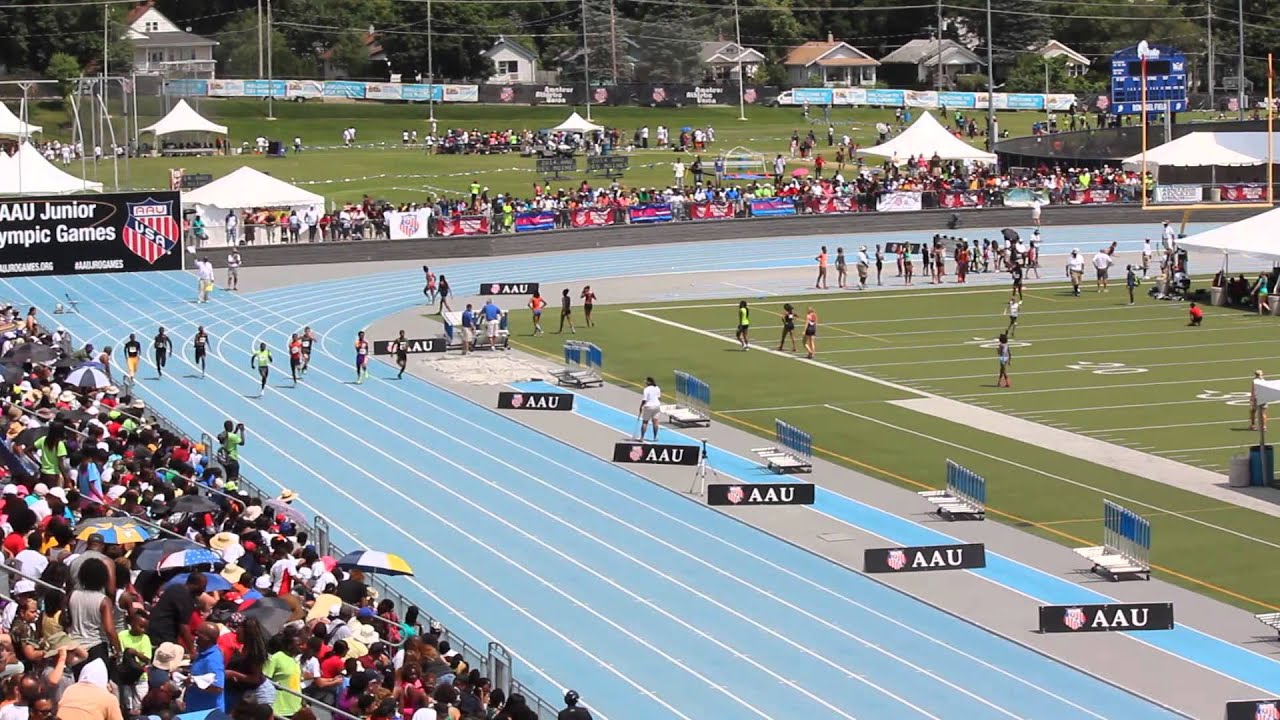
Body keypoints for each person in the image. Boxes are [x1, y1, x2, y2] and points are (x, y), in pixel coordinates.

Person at [184, 623, 225, 712]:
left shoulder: (212, 660)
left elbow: (218, 687)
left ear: (206, 639)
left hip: (206, 712)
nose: (195, 638)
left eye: (198, 635)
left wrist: (193, 683)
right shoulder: (203, 653)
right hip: (195, 709)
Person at [638, 377, 662, 442]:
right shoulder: (657, 388)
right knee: (655, 422)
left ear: (649, 382)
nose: (645, 382)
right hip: (657, 406)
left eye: (646, 381)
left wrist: (641, 407)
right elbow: (659, 398)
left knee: (645, 422)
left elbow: (644, 400)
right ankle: (655, 437)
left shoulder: (646, 389)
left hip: (649, 406)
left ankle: (642, 437)